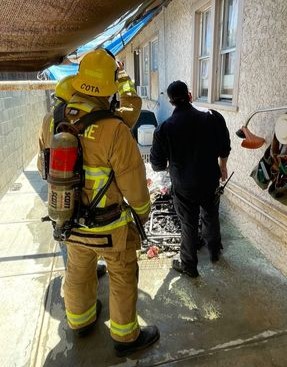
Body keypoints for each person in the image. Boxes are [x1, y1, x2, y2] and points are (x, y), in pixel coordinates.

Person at [46, 49, 160, 357]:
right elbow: (134, 184)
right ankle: (126, 338)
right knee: (122, 275)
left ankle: (80, 321)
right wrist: (142, 214)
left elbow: (48, 169)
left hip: (69, 220)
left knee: (79, 270)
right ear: (108, 90)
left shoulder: (53, 121)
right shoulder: (115, 129)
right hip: (110, 227)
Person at [150, 80, 231, 278]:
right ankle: (214, 251)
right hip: (209, 180)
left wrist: (173, 165)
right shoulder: (212, 118)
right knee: (211, 214)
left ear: (171, 102)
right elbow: (225, 147)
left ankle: (189, 265)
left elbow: (157, 165)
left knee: (188, 223)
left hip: (184, 185)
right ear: (190, 95)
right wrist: (223, 167)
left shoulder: (164, 128)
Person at [37, 75, 107, 277]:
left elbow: (42, 150)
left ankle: (82, 269)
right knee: (79, 231)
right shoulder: (78, 119)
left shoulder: (48, 118)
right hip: (78, 182)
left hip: (56, 181)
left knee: (65, 225)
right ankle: (83, 274)